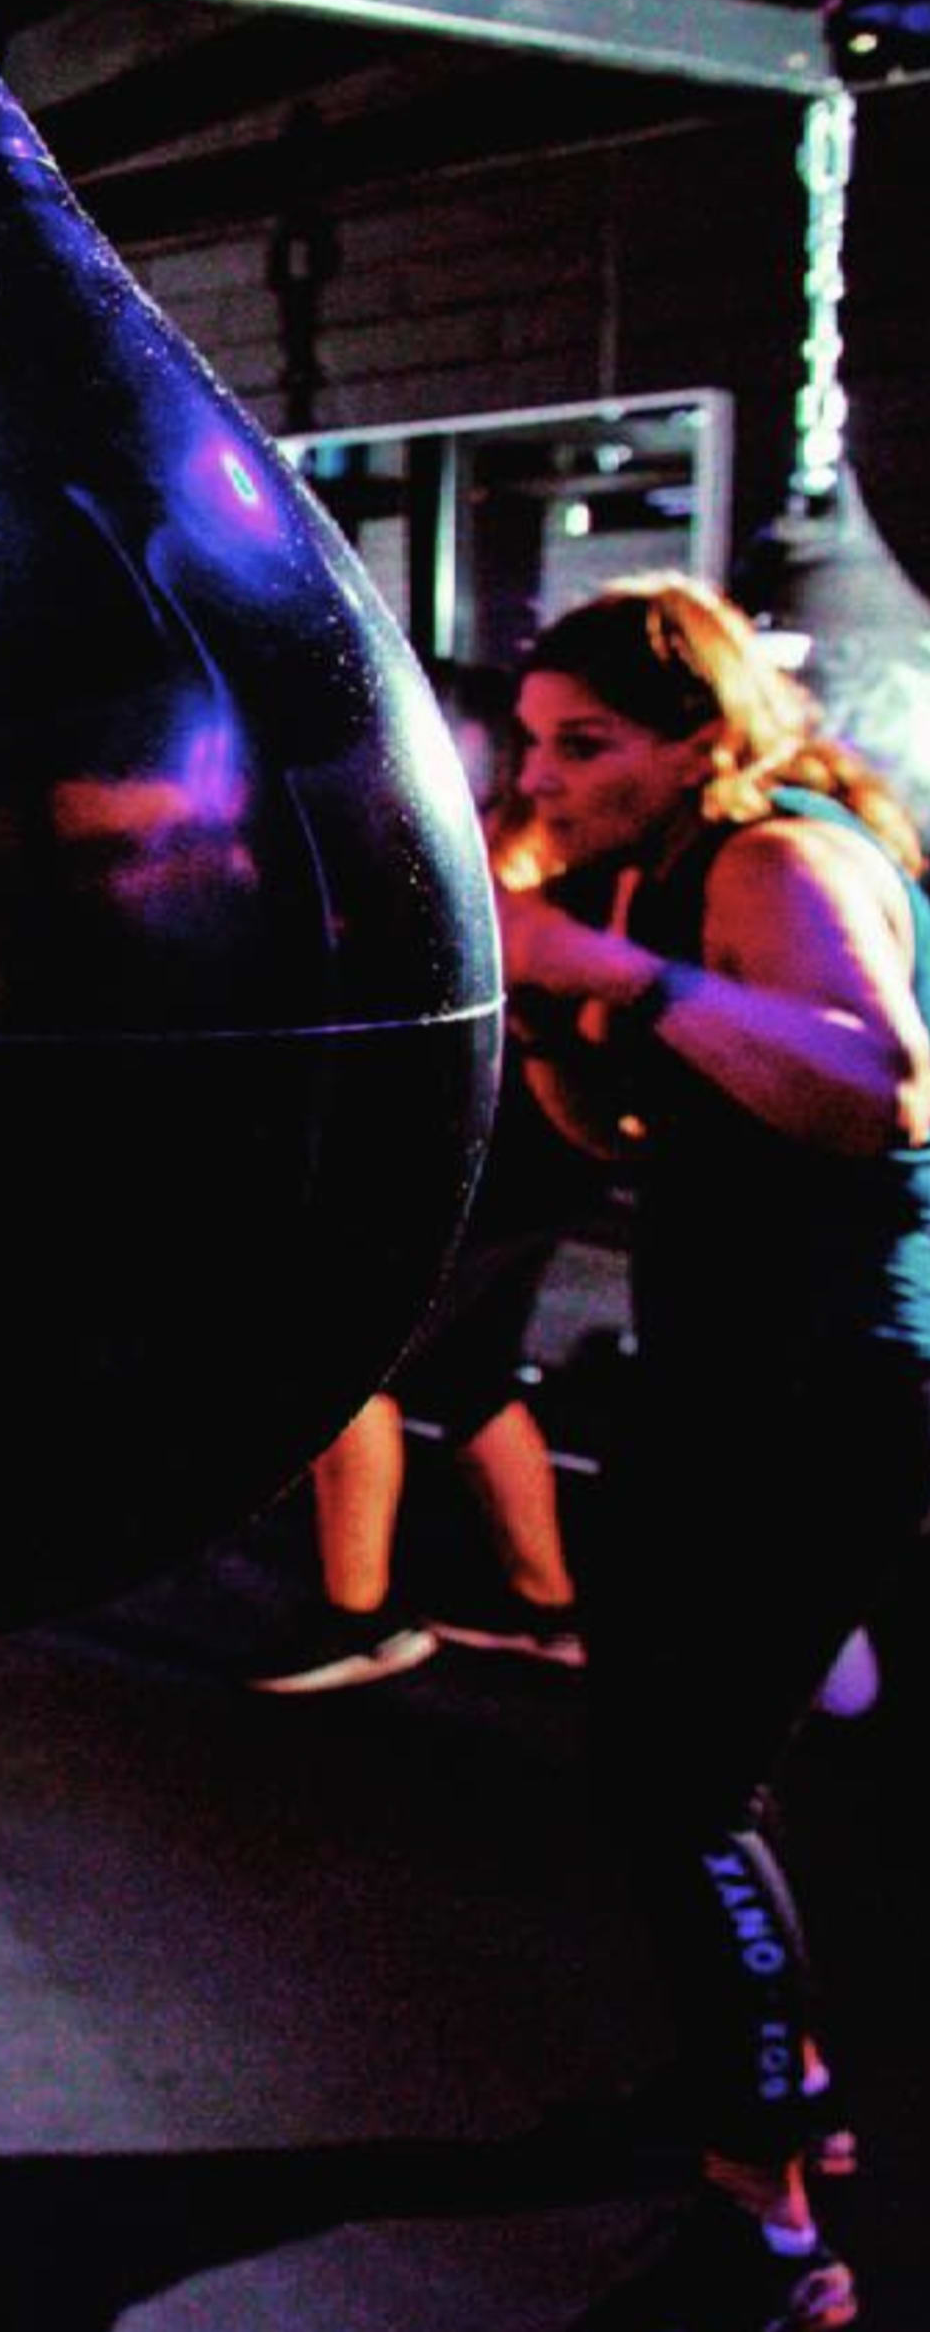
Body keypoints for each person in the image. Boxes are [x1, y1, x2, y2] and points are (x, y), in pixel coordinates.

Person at [495, 573, 927, 2332]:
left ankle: (767, 2213)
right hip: (730, 1369)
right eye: (534, 743)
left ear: (700, 734)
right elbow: (630, 1127)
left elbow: (879, 1079)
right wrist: (546, 1008)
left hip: (819, 1381)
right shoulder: (650, 866)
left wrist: (611, 969)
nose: (550, 777)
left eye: (587, 743)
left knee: (683, 1784)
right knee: (668, 1760)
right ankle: (761, 2086)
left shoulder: (762, 853)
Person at [257, 668, 593, 1694]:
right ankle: (549, 1606)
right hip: (533, 1164)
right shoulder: (527, 857)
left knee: (345, 1361)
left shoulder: (490, 871)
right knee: (475, 1379)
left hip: (495, 1160)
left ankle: (360, 1616)